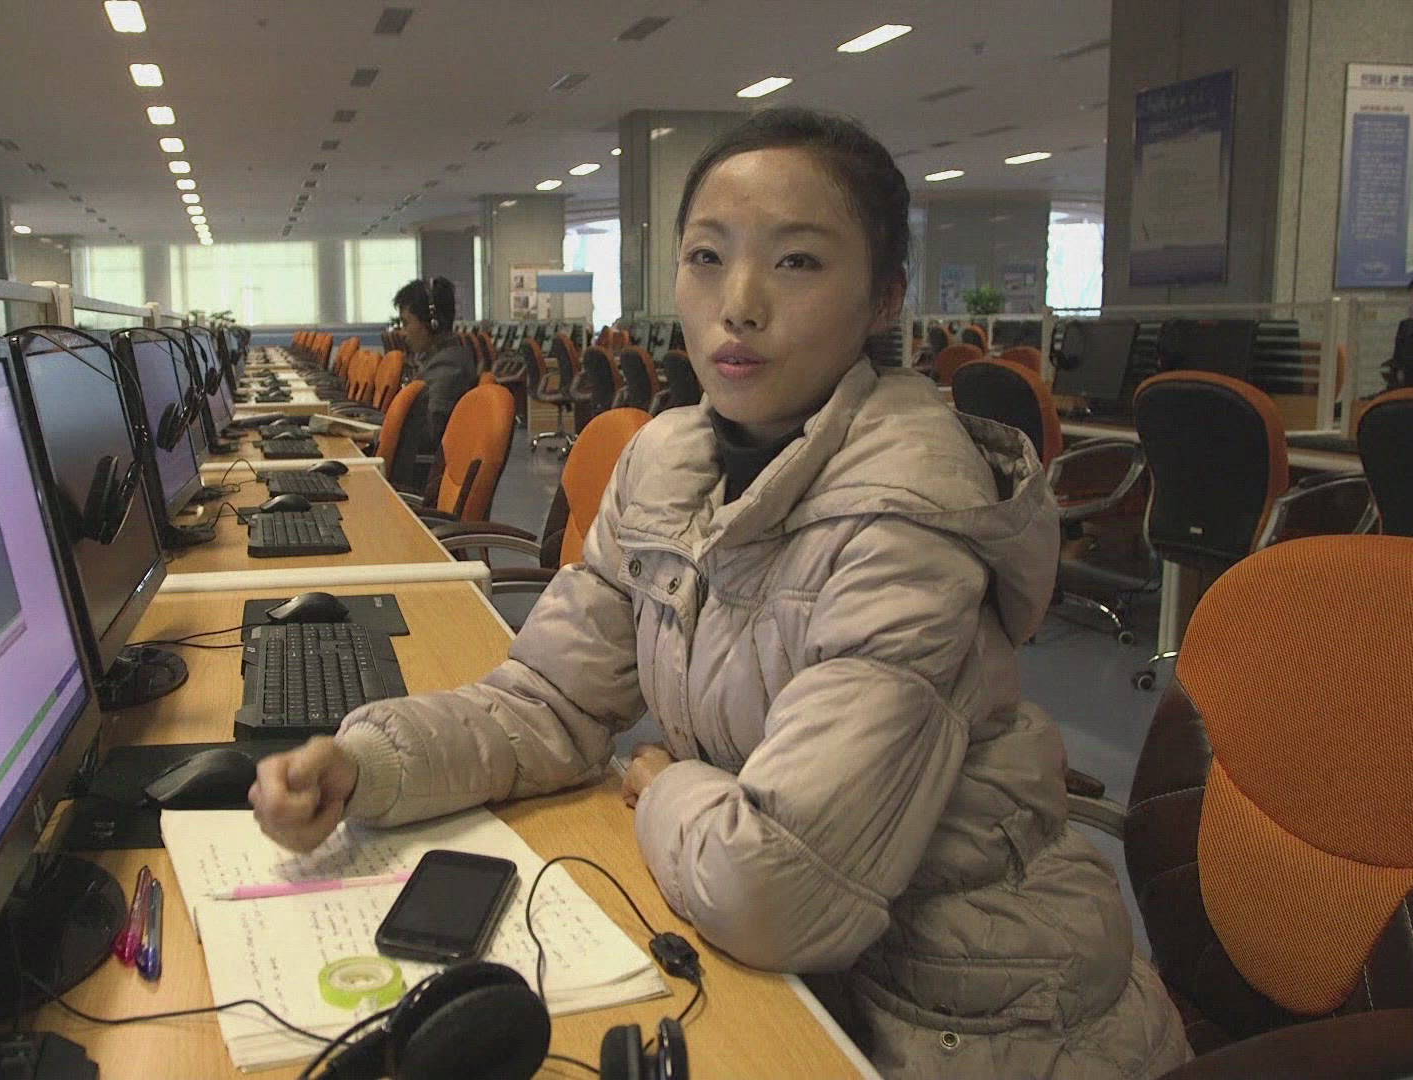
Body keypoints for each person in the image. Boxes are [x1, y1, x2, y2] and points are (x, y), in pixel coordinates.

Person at [253, 108, 1190, 1078]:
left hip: (974, 1020)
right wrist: (368, 765)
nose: (738, 304)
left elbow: (776, 890)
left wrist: (665, 785)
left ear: (885, 297)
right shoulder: (670, 465)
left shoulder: (911, 519)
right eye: (707, 257)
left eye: (797, 262)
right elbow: (550, 701)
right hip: (789, 974)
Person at [392, 276, 475, 453]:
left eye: (406, 323)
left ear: (432, 324)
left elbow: (428, 437)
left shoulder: (448, 367)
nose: (402, 333)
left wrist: (377, 434)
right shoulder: (439, 360)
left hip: (417, 467)